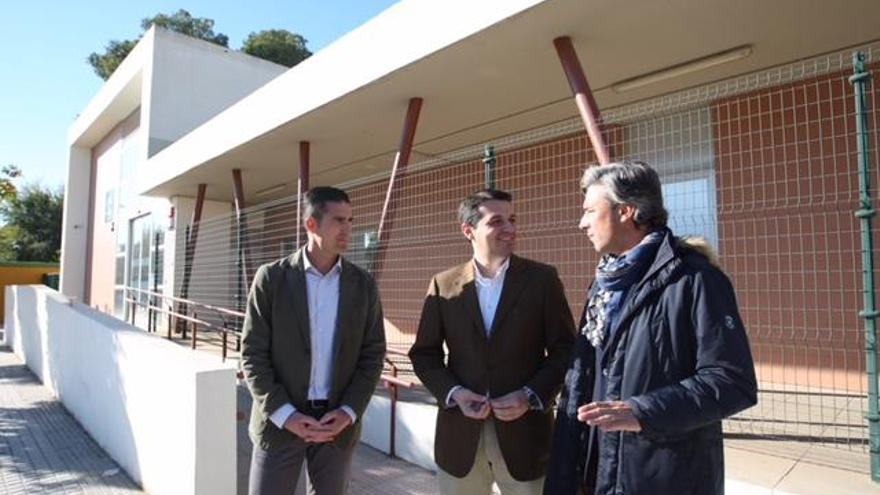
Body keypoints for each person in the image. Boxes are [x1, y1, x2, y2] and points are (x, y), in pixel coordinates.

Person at [544, 161, 758, 494]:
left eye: (589, 211)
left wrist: (642, 411)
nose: (581, 222)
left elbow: (732, 381)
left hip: (659, 475)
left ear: (626, 211)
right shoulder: (606, 283)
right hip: (593, 468)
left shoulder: (695, 280)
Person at [409, 189, 576, 495]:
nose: (510, 228)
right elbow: (424, 355)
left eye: (512, 219)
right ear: (468, 230)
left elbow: (566, 350)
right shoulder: (443, 285)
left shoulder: (543, 280)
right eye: (497, 221)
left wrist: (529, 395)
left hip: (526, 437)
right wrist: (455, 394)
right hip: (460, 439)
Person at [241, 186, 386, 495]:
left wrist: (348, 411)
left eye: (350, 220)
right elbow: (253, 354)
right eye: (338, 221)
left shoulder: (363, 285)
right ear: (311, 224)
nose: (348, 228)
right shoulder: (271, 279)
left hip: (336, 426)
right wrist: (285, 415)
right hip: (279, 422)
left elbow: (372, 355)